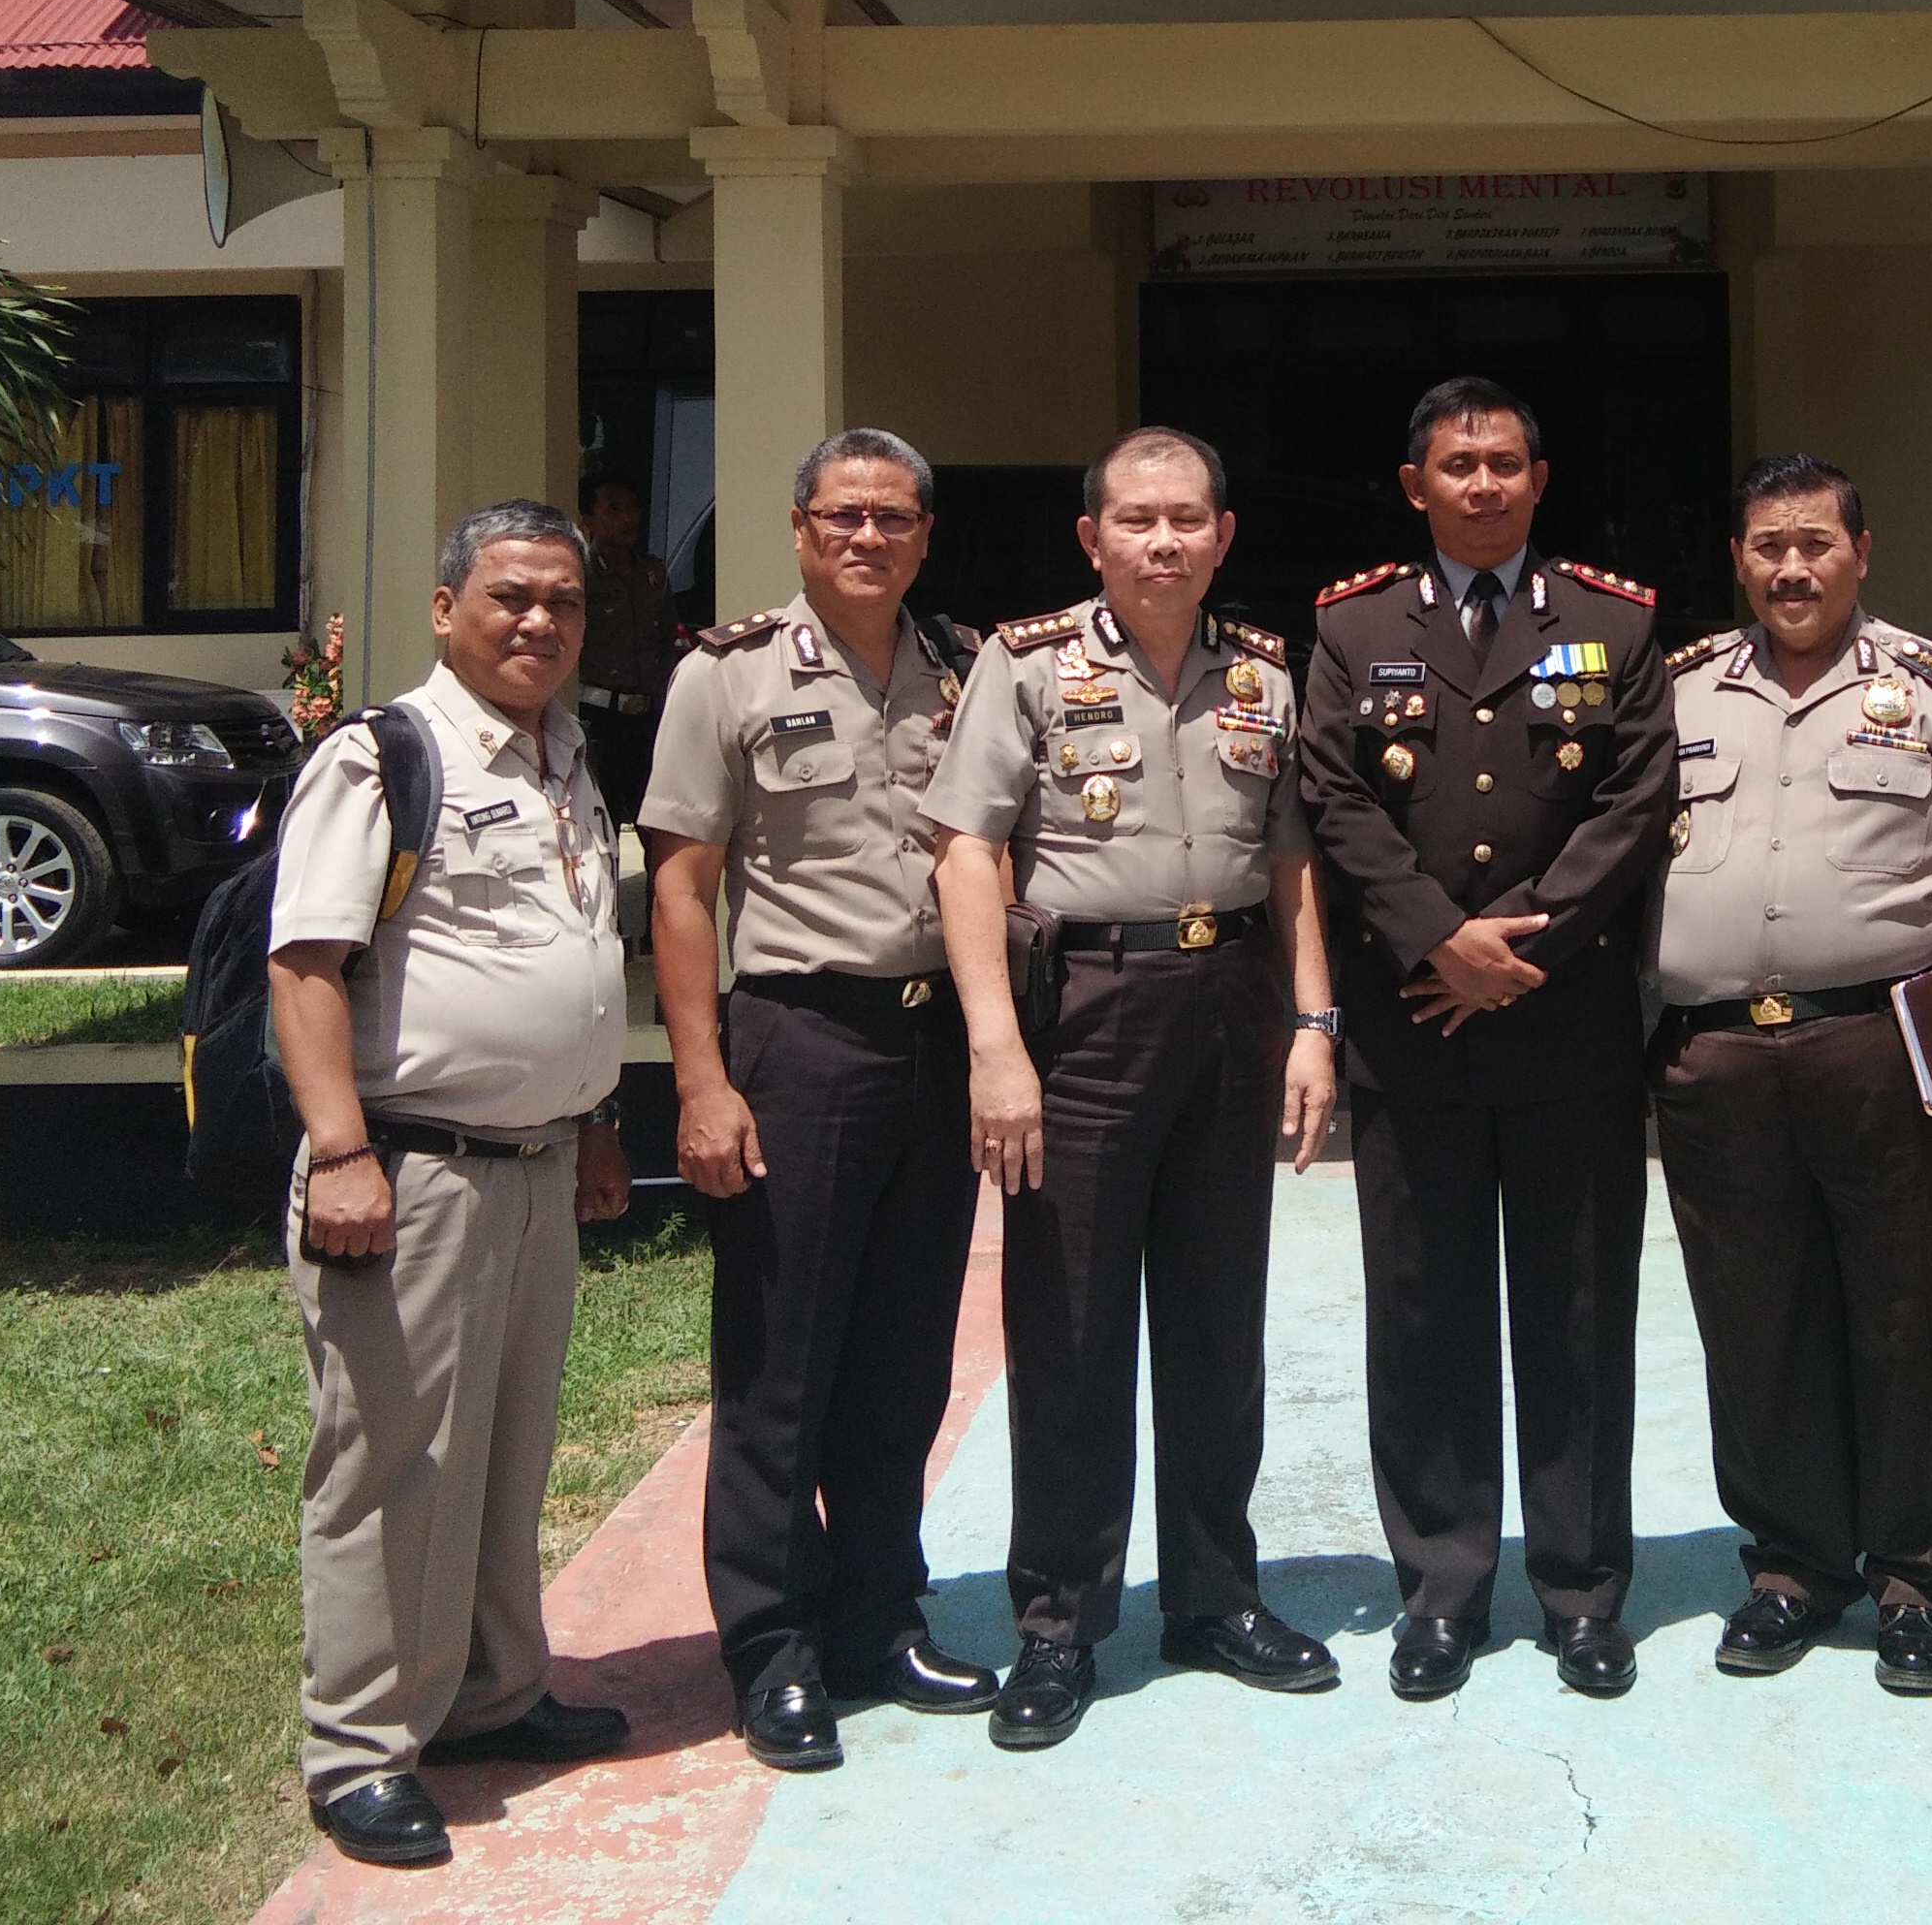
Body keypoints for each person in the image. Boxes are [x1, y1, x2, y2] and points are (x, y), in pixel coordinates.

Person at [922, 427, 1345, 1751]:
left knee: (1221, 1324)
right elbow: (963, 852)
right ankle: (1059, 1621)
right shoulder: (1027, 664)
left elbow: (1293, 864)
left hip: (1228, 1006)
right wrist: (998, 1044)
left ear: (1224, 535)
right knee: (1073, 1326)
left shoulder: (1266, 674)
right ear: (1091, 537)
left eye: (1187, 519)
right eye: (1136, 519)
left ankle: (1216, 1599)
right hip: (1083, 1011)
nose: (1163, 540)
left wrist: (1314, 1021)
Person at [270, 499, 637, 1870]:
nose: (538, 622)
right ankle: (362, 1748)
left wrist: (593, 1120)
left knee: (502, 1451)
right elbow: (305, 967)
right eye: (509, 598)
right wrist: (345, 1150)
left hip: (538, 1169)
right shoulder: (383, 758)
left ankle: (490, 1694)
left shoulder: (565, 761)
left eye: (563, 603)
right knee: (390, 1466)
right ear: (445, 611)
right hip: (410, 1170)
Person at [1297, 376, 1674, 1705]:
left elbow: (1634, 804)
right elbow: (1332, 797)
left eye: (1506, 463)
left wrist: (1519, 948)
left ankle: (1582, 1591)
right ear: (1415, 485)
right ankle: (1442, 1591)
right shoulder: (1350, 627)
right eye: (1457, 465)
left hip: (1566, 1028)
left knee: (1578, 1319)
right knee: (1426, 1319)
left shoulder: (1618, 622)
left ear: (1539, 475)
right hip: (1414, 1031)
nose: (1483, 484)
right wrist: (1434, 941)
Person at [1648, 453, 1932, 1696]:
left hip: (1887, 1044)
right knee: (1752, 1315)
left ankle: (1924, 1581)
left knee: (1911, 1311)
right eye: (1767, 544)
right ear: (1738, 559)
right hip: (1715, 1051)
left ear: (1860, 553)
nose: (1791, 566)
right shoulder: (1673, 693)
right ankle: (1791, 1566)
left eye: (1815, 542)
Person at [639, 427, 996, 1776]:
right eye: (843, 516)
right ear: (798, 530)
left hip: (933, 1046)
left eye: (893, 517)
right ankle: (773, 1646)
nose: (868, 538)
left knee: (902, 1362)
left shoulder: (964, 666)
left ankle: (877, 1619)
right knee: (782, 1364)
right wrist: (703, 1082)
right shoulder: (721, 677)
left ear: (923, 532)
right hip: (797, 1040)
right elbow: (681, 887)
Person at [575, 474, 684, 840]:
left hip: (648, 721)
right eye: (614, 509)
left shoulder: (652, 573)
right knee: (600, 830)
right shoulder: (581, 575)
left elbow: (666, 641)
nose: (628, 518)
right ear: (588, 519)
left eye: (633, 507)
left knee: (659, 827)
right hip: (598, 722)